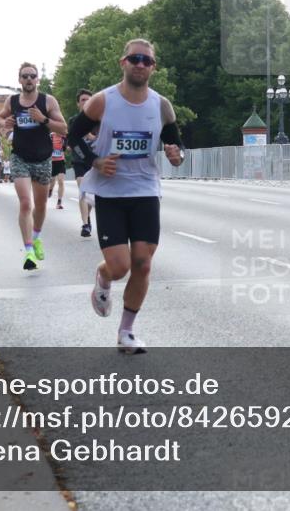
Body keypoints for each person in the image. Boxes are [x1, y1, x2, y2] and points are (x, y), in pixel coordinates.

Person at [68, 39, 186, 354]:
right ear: (123, 62)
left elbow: (177, 148)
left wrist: (177, 156)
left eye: (146, 60)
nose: (140, 64)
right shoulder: (102, 101)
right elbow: (73, 135)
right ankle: (104, 276)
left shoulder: (161, 106)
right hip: (110, 192)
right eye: (135, 58)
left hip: (146, 189)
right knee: (120, 266)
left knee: (143, 263)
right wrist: (95, 160)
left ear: (153, 67)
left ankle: (126, 332)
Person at [0, 62, 69, 270]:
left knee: (41, 205)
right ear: (19, 80)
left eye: (32, 76)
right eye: (25, 76)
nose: (29, 79)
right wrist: (5, 123)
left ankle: (36, 237)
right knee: (26, 203)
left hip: (43, 159)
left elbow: (63, 129)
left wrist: (43, 119)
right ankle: (29, 251)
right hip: (20, 157)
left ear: (37, 79)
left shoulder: (48, 101)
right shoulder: (12, 101)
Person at [70, 89, 97, 237]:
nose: (86, 102)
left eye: (88, 100)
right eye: (83, 100)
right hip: (79, 160)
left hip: (95, 161)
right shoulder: (74, 120)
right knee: (83, 190)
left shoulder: (99, 120)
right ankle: (85, 224)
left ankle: (88, 218)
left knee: (91, 195)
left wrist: (90, 135)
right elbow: (71, 139)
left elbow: (100, 139)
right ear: (78, 104)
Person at [49, 130, 67, 209]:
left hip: (61, 161)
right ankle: (50, 189)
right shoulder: (51, 136)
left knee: (60, 181)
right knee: (52, 180)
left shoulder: (64, 137)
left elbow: (67, 147)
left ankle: (59, 201)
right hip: (52, 162)